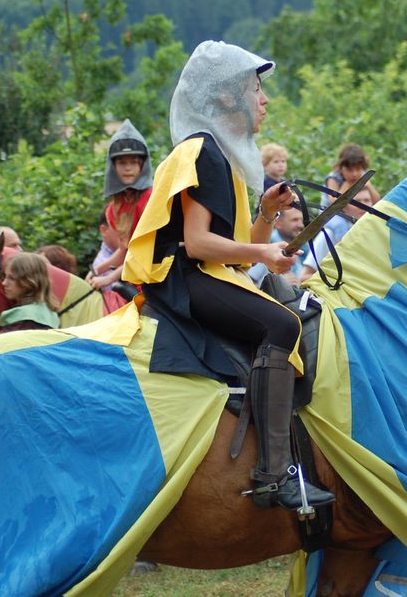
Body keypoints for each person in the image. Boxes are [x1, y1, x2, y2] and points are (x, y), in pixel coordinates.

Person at [122, 40, 334, 510]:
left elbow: (237, 258)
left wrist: (265, 214)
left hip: (211, 273)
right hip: (186, 277)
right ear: (224, 97)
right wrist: (263, 246)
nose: (265, 100)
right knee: (282, 325)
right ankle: (274, 475)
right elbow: (198, 244)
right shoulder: (202, 151)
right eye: (256, 89)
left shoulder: (225, 157)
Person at [88, 120, 154, 292]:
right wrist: (97, 270)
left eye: (133, 162)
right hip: (135, 279)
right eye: (122, 163)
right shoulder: (113, 208)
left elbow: (144, 254)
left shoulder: (149, 199)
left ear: (142, 165)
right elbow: (125, 251)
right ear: (113, 166)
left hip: (159, 277)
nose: (128, 168)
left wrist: (108, 278)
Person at [299, 188, 373, 283]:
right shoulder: (330, 234)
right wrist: (341, 280)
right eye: (356, 202)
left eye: (367, 200)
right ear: (345, 207)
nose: (363, 206)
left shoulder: (374, 233)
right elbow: (304, 277)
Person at [248, 207, 305, 287]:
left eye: (301, 220)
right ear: (278, 223)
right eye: (294, 220)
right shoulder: (266, 245)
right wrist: (278, 284)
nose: (301, 225)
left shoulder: (299, 246)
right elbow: (247, 281)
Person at [321, 143, 381, 208]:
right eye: (350, 170)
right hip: (331, 214)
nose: (354, 174)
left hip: (353, 212)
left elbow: (377, 202)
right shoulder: (334, 178)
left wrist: (369, 186)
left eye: (358, 169)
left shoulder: (362, 175)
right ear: (341, 167)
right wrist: (346, 185)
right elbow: (334, 203)